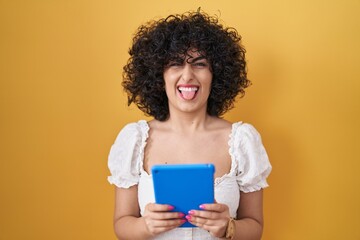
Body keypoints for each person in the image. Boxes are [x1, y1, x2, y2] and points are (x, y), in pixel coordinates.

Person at [107, 10, 272, 240]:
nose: (187, 76)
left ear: (216, 74)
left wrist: (228, 227)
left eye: (200, 64)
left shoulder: (242, 140)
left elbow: (255, 227)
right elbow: (121, 224)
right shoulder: (135, 139)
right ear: (158, 74)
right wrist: (146, 226)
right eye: (175, 63)